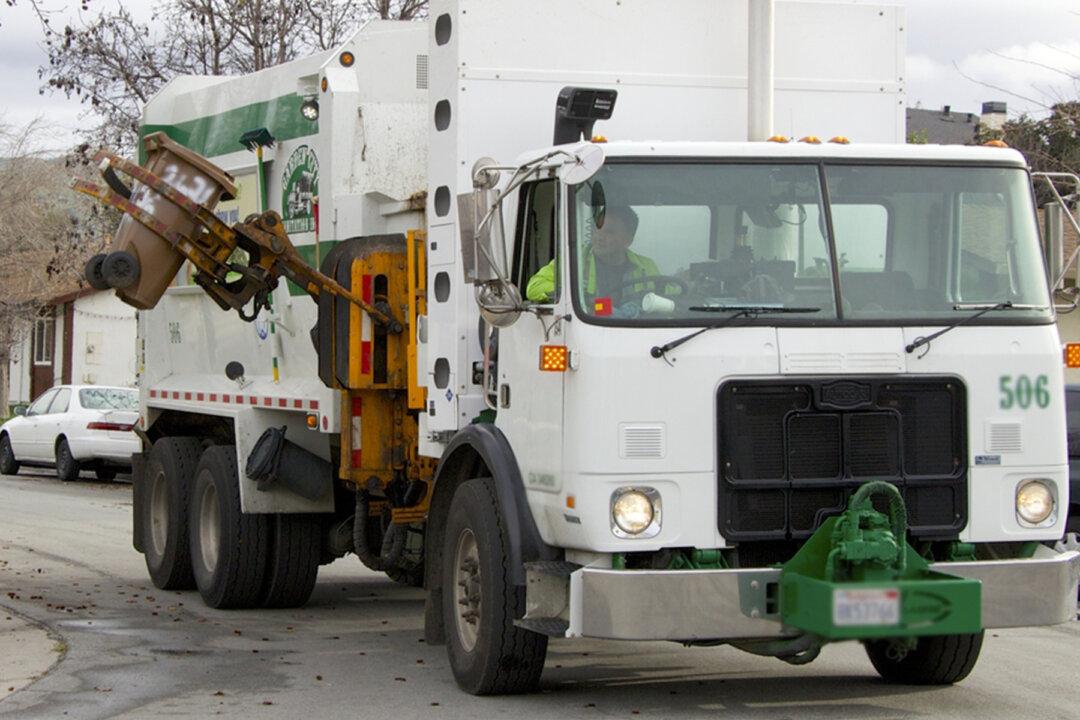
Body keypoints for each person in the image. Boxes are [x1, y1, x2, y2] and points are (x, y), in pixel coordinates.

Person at [525, 205, 661, 305]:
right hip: (589, 330)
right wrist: (572, 295)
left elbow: (671, 295)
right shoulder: (574, 260)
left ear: (628, 240)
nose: (599, 236)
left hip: (637, 332)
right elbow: (534, 287)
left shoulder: (646, 266)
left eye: (609, 231)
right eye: (597, 228)